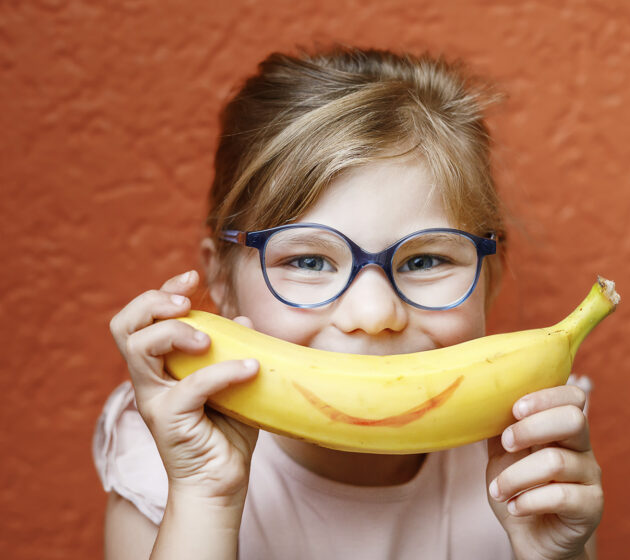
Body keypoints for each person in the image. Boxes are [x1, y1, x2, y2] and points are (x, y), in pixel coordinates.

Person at [94, 47, 603, 560]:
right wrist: (205, 499)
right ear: (220, 280)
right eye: (310, 262)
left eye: (425, 260)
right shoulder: (170, 465)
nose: (374, 314)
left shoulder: (533, 458)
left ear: (491, 276)